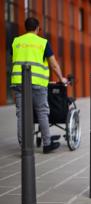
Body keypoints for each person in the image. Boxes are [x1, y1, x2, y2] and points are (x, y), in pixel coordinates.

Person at [11, 17, 67, 153]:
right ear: (37, 28)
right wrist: (62, 78)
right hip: (37, 83)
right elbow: (53, 64)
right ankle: (47, 144)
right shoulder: (42, 42)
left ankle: (24, 146)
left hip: (18, 82)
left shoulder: (16, 41)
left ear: (26, 28)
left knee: (21, 114)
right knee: (42, 112)